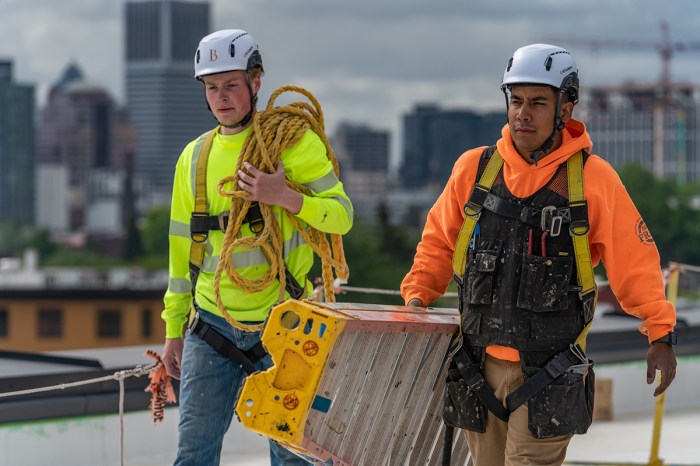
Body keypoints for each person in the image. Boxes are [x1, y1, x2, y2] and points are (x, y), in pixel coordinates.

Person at [401, 43, 677, 466]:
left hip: (549, 373)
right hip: (477, 369)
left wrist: (660, 332)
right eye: (516, 101)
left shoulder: (591, 180)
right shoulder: (475, 169)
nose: (522, 114)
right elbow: (438, 241)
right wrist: (418, 297)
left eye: (537, 103)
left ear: (566, 109)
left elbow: (633, 261)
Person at [160, 29, 353, 466]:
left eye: (231, 85)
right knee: (193, 454)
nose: (221, 97)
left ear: (256, 81)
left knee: (291, 458)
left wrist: (284, 196)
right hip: (211, 325)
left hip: (283, 324)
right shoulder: (194, 158)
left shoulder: (293, 144)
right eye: (212, 88)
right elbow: (179, 255)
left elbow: (342, 215)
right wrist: (174, 331)